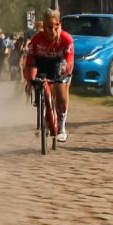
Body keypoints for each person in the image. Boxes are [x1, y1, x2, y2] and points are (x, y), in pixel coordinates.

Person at [22, 8, 74, 141]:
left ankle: (61, 127)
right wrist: (29, 79)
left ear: (59, 25)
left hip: (59, 63)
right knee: (35, 79)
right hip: (42, 62)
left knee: (61, 93)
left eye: (54, 27)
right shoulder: (36, 39)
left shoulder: (66, 39)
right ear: (43, 26)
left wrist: (64, 72)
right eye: (47, 27)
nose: (51, 31)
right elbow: (30, 61)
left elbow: (69, 61)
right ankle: (42, 104)